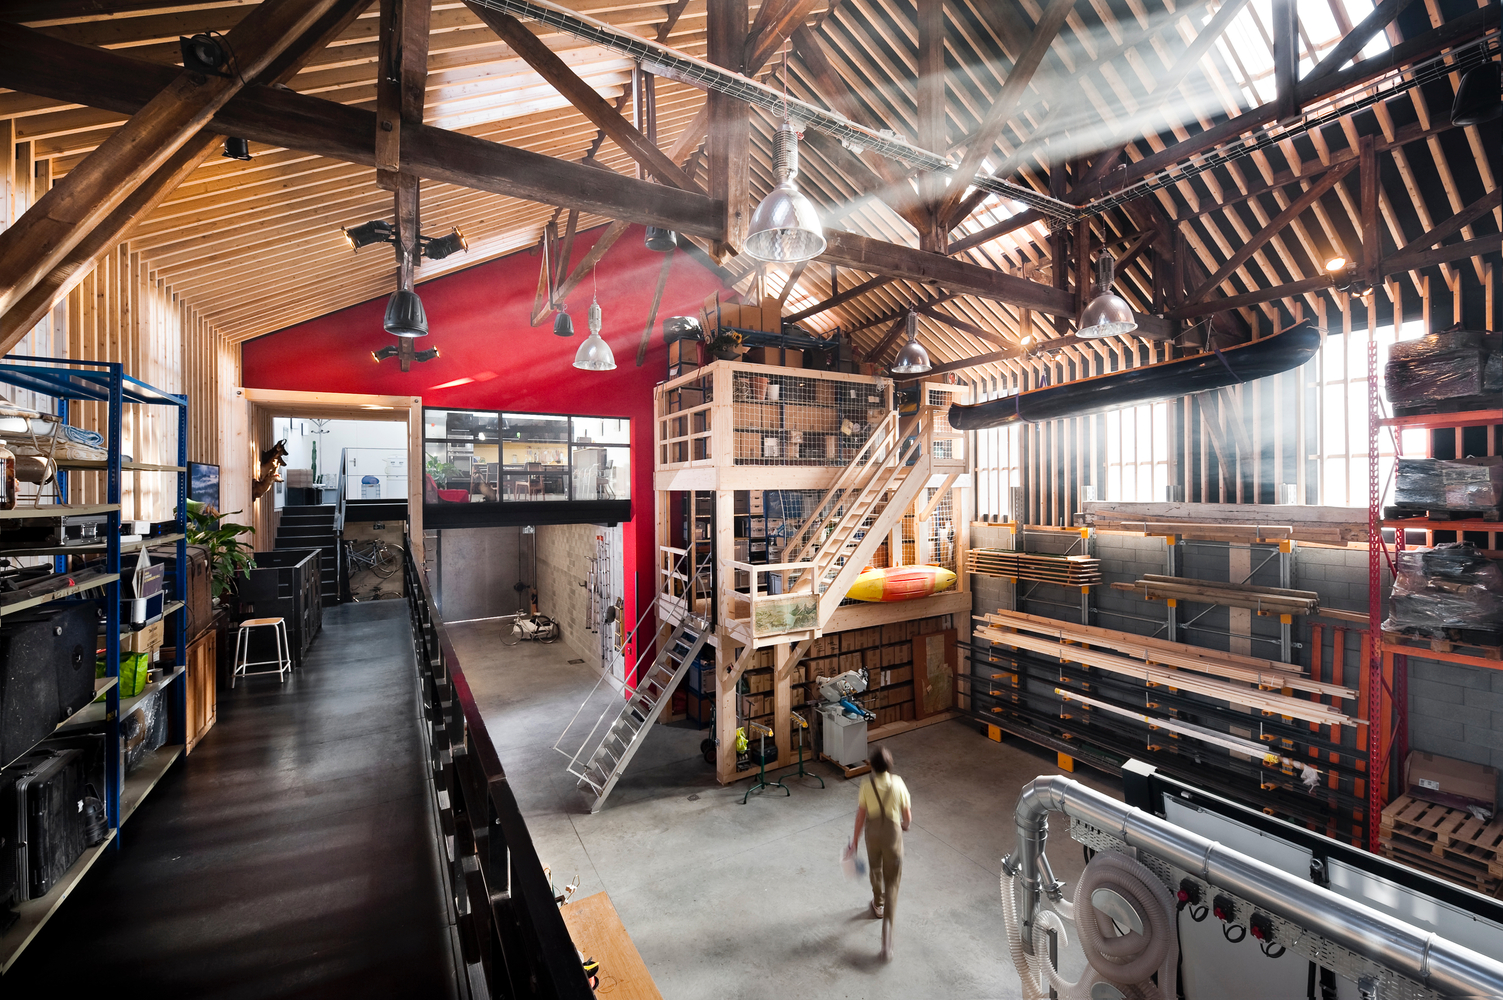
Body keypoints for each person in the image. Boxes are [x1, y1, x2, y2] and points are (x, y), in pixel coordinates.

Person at [844, 746, 911, 960]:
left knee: (875, 869)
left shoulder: (866, 784)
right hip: (892, 835)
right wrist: (904, 826)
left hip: (872, 834)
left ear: (871, 766)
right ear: (890, 765)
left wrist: (854, 841)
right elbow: (907, 817)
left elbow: (860, 816)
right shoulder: (898, 783)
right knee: (893, 881)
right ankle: (887, 935)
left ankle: (878, 904)